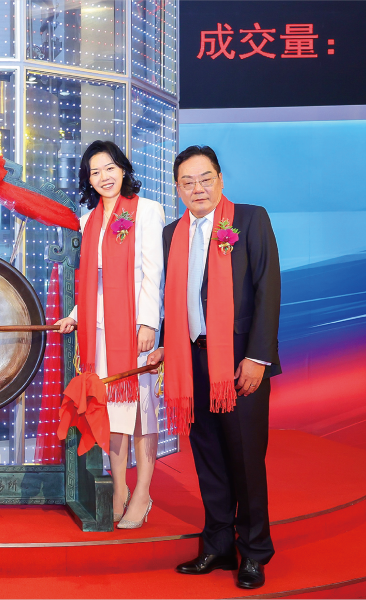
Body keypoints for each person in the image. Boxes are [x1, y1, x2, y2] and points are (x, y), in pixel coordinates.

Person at [146, 145, 281, 590]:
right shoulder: (172, 233)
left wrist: (257, 357)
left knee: (246, 459)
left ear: (220, 180)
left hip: (239, 361)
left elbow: (268, 289)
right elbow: (174, 300)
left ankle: (254, 551)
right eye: (187, 182)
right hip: (192, 360)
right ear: (177, 188)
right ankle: (218, 545)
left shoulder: (250, 220)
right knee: (209, 458)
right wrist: (165, 345)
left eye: (205, 179)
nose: (197, 188)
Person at [55, 140, 165, 529]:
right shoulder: (88, 221)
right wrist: (74, 315)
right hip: (99, 331)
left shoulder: (147, 210)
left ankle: (143, 494)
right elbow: (90, 282)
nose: (104, 177)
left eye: (110, 168)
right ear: (88, 179)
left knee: (142, 415)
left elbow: (153, 272)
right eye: (95, 172)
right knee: (113, 413)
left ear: (123, 169)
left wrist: (149, 323)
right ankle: (119, 490)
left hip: (135, 328)